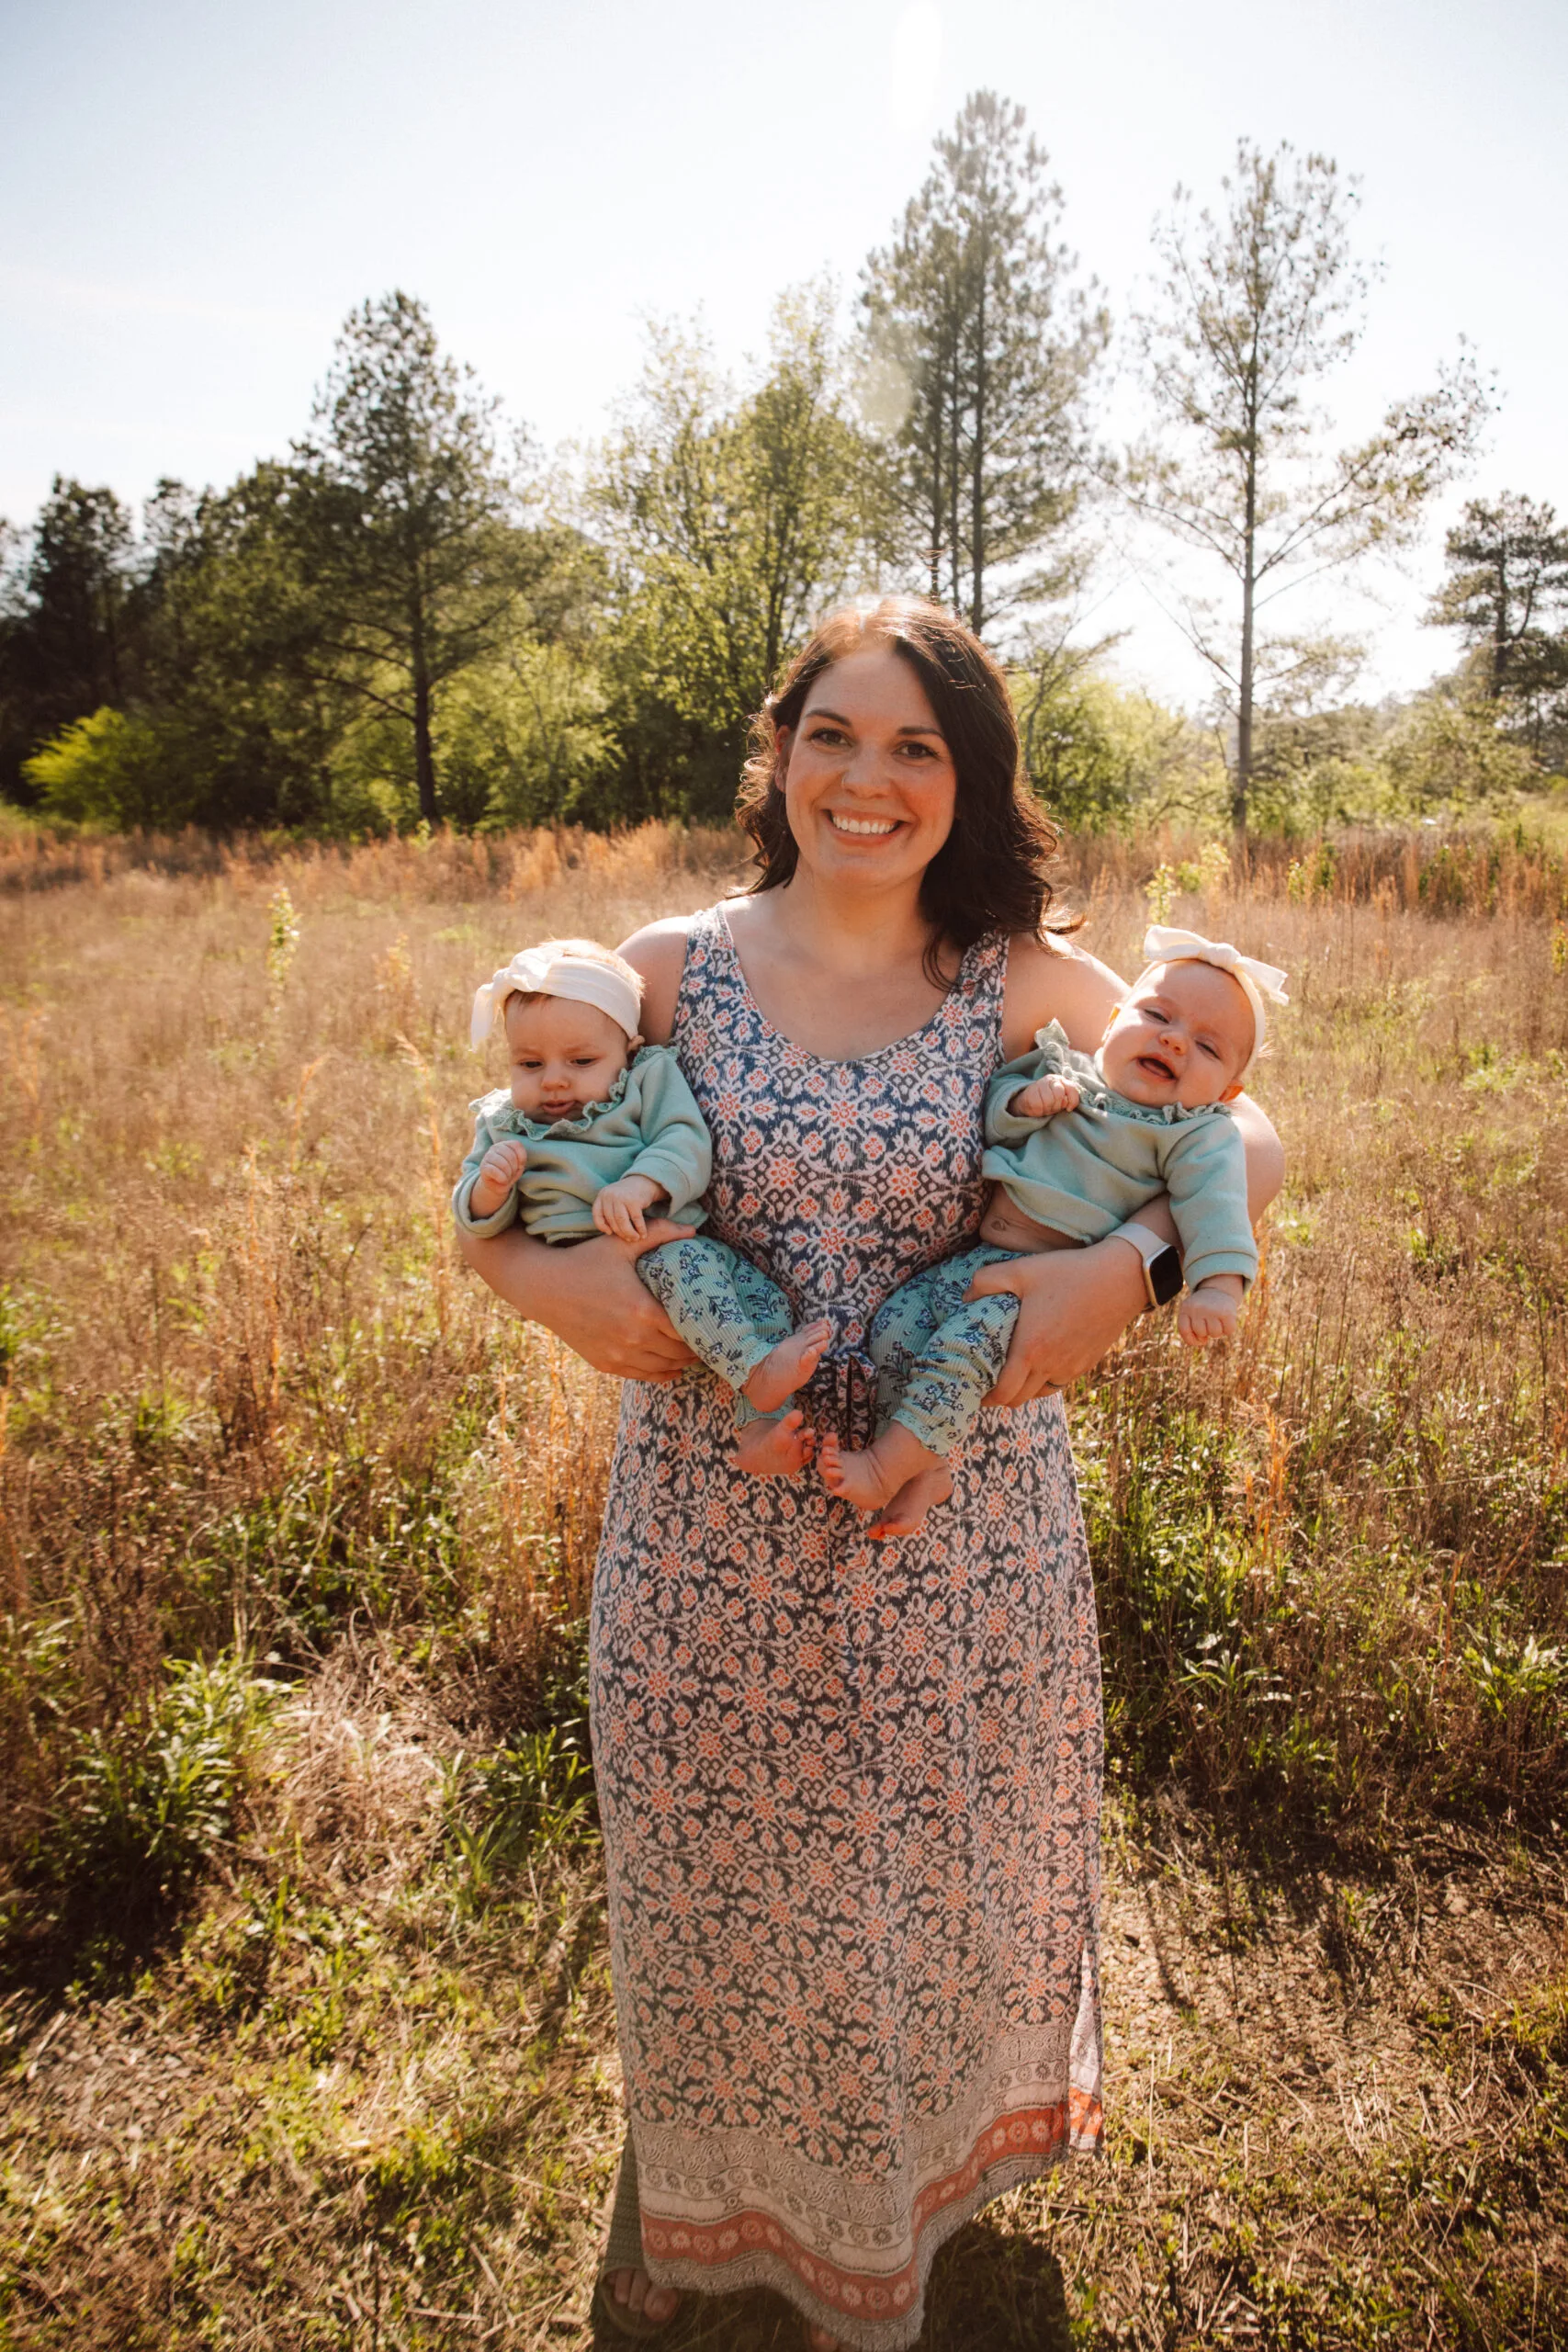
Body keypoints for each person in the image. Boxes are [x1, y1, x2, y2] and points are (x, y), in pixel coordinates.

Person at [455, 596, 1284, 2351]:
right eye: (835, 731)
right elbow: (513, 1151)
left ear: (968, 782)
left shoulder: (1027, 982)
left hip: (955, 1542)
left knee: (931, 1904)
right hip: (705, 1540)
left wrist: (1123, 1271)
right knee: (723, 1911)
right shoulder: (670, 964)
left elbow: (1245, 1125)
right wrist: (528, 1280)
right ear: (780, 749)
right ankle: (718, 2229)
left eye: (918, 745)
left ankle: (907, 2230)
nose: (868, 776)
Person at [817, 930, 1289, 1527]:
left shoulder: (1191, 1133)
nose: (1172, 1039)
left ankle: (886, 1468)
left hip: (1042, 1288)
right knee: (895, 1331)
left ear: (1226, 1093)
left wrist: (1218, 1285)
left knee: (957, 1357)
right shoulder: (1068, 1071)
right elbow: (993, 1115)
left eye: (1206, 1046)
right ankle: (929, 1465)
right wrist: (1023, 1103)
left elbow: (1214, 1206)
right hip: (978, 1260)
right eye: (1156, 1015)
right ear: (1113, 1019)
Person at [452, 937, 833, 1460]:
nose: (555, 1080)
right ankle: (756, 1372)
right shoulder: (505, 1126)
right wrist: (490, 1188)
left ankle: (759, 1428)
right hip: (613, 1260)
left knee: (763, 1300)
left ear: (627, 1054)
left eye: (582, 1060)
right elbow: (475, 1220)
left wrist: (640, 1183)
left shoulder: (645, 1080)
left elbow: (684, 1139)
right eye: (530, 1064)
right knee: (691, 1277)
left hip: (667, 1236)